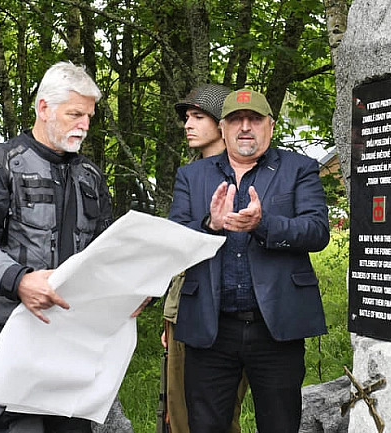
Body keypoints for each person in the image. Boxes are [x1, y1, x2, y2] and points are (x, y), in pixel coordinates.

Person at [0, 61, 114, 433]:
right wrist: (19, 280)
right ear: (44, 107)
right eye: (75, 114)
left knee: (74, 427)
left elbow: (105, 252)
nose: (84, 125)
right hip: (4, 330)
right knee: (18, 427)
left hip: (72, 334)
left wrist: (130, 291)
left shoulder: (90, 176)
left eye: (88, 116)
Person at [168, 88, 330, 433]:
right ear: (222, 128)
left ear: (270, 126)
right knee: (205, 426)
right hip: (211, 329)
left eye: (254, 119)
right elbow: (174, 240)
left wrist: (263, 224)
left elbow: (317, 231)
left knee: (280, 425)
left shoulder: (298, 169)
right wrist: (210, 225)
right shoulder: (191, 176)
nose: (245, 127)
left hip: (276, 327)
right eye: (236, 120)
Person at [160, 83, 249, 433]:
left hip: (233, 310)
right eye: (187, 117)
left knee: (220, 415)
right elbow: (176, 244)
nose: (188, 124)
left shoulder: (248, 172)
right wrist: (170, 315)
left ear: (221, 123)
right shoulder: (189, 176)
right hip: (187, 305)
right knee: (180, 411)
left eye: (198, 116)